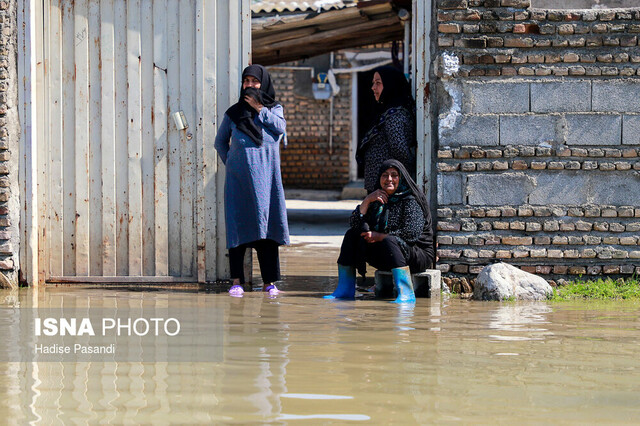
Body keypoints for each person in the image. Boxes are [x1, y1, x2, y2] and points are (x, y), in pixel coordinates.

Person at [215, 64, 289, 296]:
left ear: (263, 84)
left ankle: (269, 283)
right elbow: (220, 142)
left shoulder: (274, 110)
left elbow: (280, 129)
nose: (249, 85)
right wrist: (234, 165)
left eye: (254, 81)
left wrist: (259, 108)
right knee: (238, 228)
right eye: (246, 81)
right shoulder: (233, 113)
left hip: (267, 181)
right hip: (239, 182)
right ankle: (236, 281)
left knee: (267, 229)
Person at [324, 159, 434, 303]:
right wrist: (367, 200)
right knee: (352, 234)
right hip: (388, 254)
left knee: (389, 240)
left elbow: (411, 234)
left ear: (401, 178)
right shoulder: (376, 199)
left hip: (416, 255)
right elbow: (356, 224)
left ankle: (406, 293)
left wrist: (379, 236)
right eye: (384, 175)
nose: (389, 179)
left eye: (394, 175)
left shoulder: (410, 201)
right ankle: (345, 290)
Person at [356, 65, 416, 194]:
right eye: (373, 83)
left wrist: (405, 173)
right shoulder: (388, 112)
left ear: (390, 85)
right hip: (381, 185)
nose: (373, 87)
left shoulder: (395, 116)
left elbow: (399, 148)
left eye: (378, 83)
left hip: (388, 187)